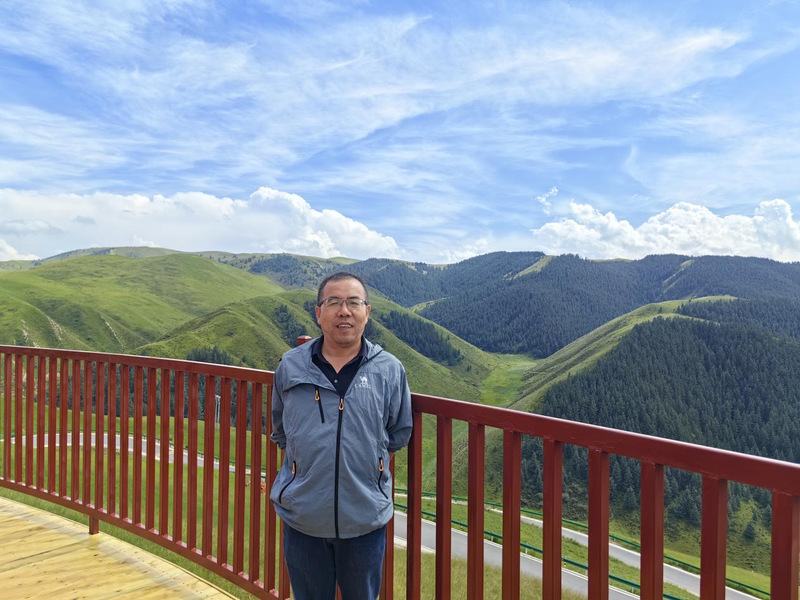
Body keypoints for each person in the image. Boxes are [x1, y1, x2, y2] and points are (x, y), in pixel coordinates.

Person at [269, 271, 413, 600]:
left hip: (364, 518)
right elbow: (281, 431)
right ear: (318, 313)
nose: (344, 311)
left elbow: (397, 433)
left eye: (353, 302)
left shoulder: (389, 369)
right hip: (303, 517)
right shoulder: (290, 366)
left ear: (367, 312)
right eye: (333, 302)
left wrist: (369, 466)